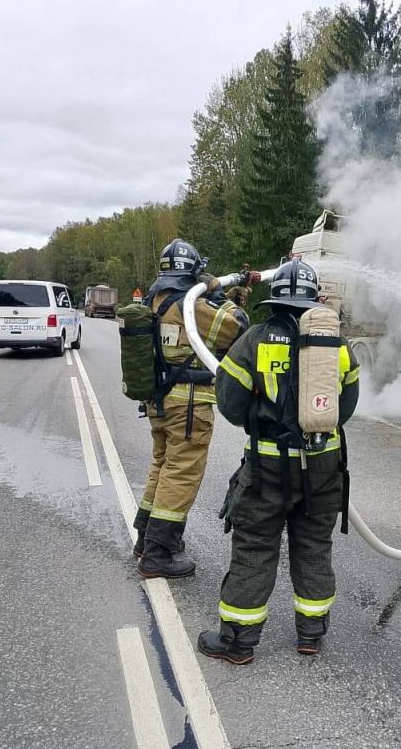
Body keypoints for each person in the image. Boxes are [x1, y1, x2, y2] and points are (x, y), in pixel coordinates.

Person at [198, 258, 360, 665]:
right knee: (314, 548)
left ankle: (238, 643)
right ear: (313, 299)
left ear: (275, 300)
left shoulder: (253, 340)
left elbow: (231, 406)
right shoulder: (336, 346)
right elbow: (347, 408)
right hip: (324, 468)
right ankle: (311, 635)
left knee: (255, 548)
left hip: (269, 468)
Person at [133, 239, 250, 579]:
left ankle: (146, 540)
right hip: (188, 406)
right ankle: (159, 554)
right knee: (181, 474)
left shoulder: (156, 299)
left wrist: (216, 296)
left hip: (159, 400)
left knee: (162, 467)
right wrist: (220, 296)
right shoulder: (190, 303)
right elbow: (236, 329)